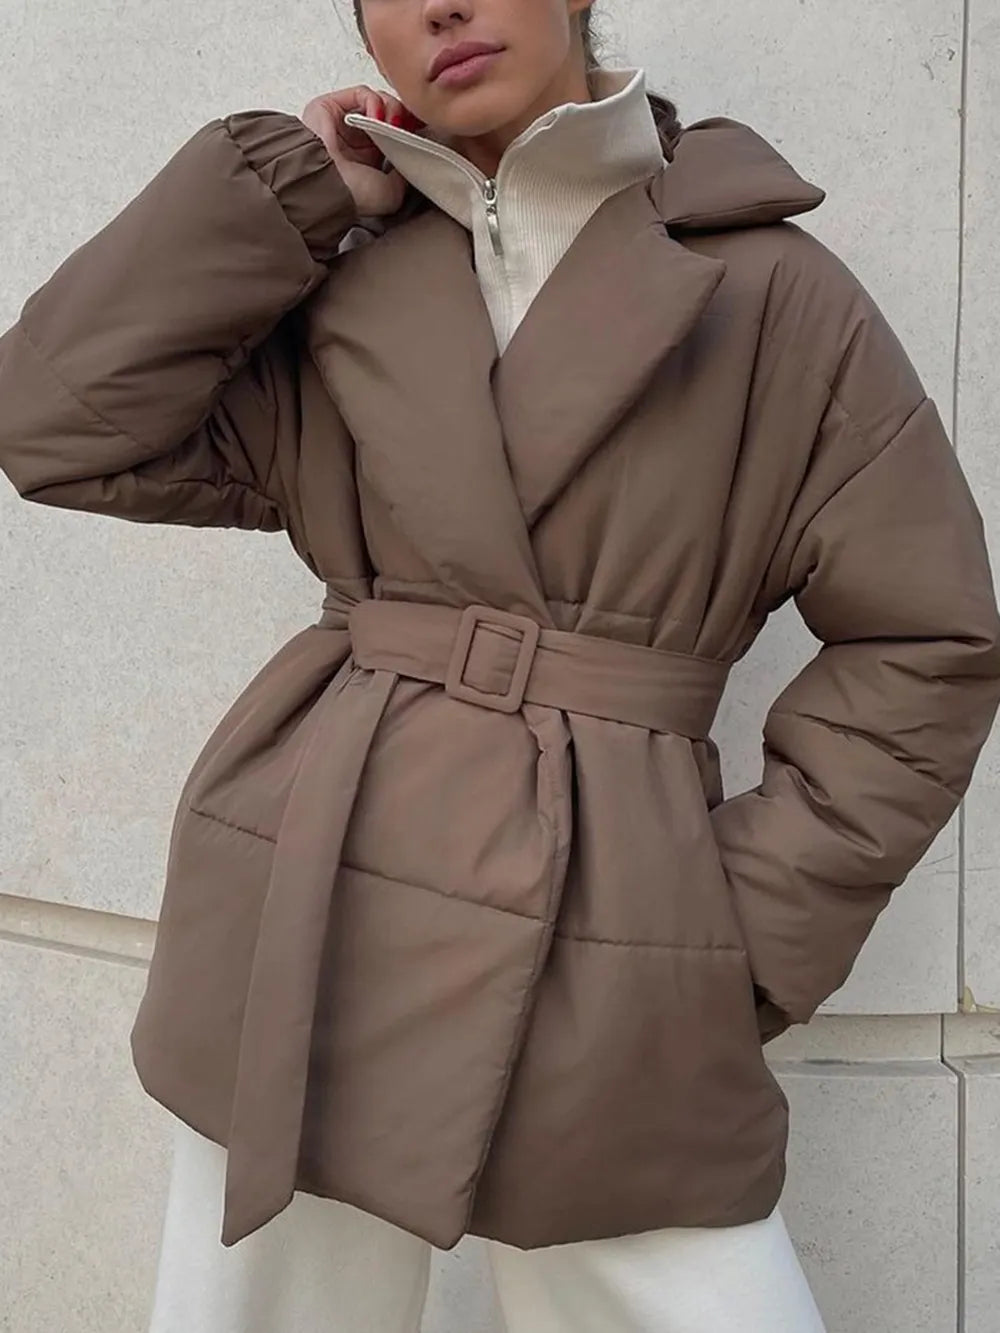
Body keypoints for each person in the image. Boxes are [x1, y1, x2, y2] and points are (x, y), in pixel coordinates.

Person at [1, 0, 998, 1329]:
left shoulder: (770, 290)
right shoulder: (342, 271)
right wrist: (291, 192)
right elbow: (55, 424)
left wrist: (739, 935)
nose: (439, 8)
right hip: (312, 896)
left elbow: (925, 634)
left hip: (611, 916)